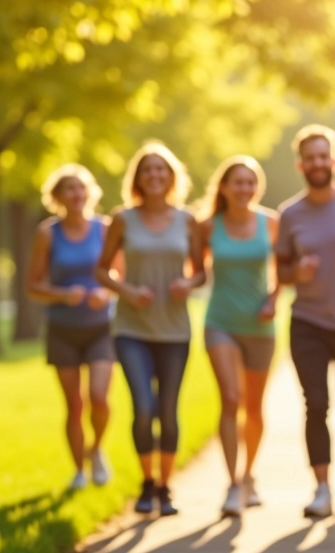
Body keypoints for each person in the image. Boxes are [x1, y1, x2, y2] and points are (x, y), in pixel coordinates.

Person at [95, 141, 205, 517]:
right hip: (131, 328)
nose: (155, 175)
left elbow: (201, 271)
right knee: (144, 407)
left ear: (171, 176)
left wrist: (187, 285)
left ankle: (165, 486)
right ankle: (146, 483)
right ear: (138, 178)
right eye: (148, 170)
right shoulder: (122, 219)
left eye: (161, 169)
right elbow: (101, 269)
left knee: (168, 411)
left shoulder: (187, 220)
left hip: (174, 329)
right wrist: (126, 289)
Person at [275, 124, 335, 518]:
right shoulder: (290, 214)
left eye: (323, 156)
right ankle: (321, 488)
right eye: (310, 158)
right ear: (301, 165)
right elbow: (280, 272)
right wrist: (296, 272)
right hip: (308, 321)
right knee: (315, 403)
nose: (318, 163)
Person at [199, 156, 280, 518]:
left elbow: (285, 270)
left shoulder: (271, 224)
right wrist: (182, 283)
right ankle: (232, 484)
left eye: (250, 182)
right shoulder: (207, 227)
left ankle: (250, 476)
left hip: (260, 326)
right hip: (221, 323)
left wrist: (275, 299)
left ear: (257, 187)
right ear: (225, 187)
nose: (244, 189)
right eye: (238, 182)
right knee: (231, 399)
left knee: (254, 408)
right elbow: (195, 273)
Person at [26, 164, 116, 491]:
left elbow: (118, 276)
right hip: (62, 329)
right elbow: (33, 285)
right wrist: (63, 294)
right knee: (74, 405)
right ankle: (79, 471)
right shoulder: (47, 233)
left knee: (99, 398)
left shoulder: (104, 228)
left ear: (89, 192)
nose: (76, 195)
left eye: (81, 188)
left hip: (101, 327)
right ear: (58, 197)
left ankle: (97, 449)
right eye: (69, 189)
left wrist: (104, 293)